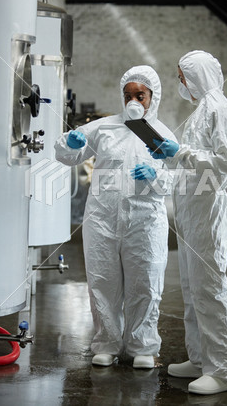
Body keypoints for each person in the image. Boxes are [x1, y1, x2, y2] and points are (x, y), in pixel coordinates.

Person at [55, 65, 177, 369]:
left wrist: (154, 177)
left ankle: (143, 346)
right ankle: (107, 343)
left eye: (140, 95)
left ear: (152, 97)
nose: (133, 101)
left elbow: (178, 180)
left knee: (146, 282)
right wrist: (68, 143)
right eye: (128, 95)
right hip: (103, 218)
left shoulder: (161, 134)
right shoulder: (104, 127)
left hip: (145, 221)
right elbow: (68, 154)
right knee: (103, 281)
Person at [148, 51, 227, 395]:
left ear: (196, 76)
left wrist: (180, 152)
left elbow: (222, 166)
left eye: (182, 77)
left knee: (209, 289)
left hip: (207, 209)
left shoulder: (221, 111)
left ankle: (221, 371)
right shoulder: (201, 111)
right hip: (189, 208)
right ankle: (200, 359)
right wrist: (170, 155)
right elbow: (190, 161)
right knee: (191, 288)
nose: (180, 84)